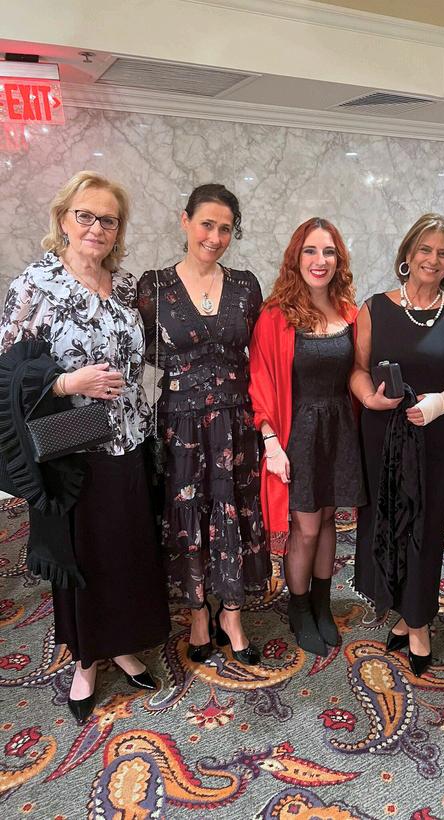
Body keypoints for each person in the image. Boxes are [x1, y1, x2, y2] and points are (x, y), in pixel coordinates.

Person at [0, 171, 171, 724]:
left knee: (126, 550)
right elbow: (6, 372)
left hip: (128, 440)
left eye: (109, 220)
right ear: (63, 219)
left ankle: (120, 645)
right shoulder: (36, 284)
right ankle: (86, 660)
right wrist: (65, 383)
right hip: (71, 449)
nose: (97, 227)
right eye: (86, 216)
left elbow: (141, 357)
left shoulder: (123, 286)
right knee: (85, 555)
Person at [138, 184, 270, 667]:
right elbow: (140, 352)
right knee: (187, 513)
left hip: (236, 421)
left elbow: (261, 352)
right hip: (180, 422)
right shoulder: (153, 287)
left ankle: (231, 614)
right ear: (185, 221)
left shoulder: (246, 286)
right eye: (206, 224)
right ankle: (198, 612)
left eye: (225, 229)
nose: (214, 237)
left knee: (233, 506)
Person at [350, 213, 444, 677]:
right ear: (407, 254)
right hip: (382, 431)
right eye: (425, 249)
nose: (433, 259)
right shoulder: (373, 308)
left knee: (427, 526)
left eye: (443, 253)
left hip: (435, 434)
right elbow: (357, 369)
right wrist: (370, 398)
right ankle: (404, 611)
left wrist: (441, 402)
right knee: (386, 521)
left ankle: (418, 622)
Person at [249, 218, 364, 656]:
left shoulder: (350, 312)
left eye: (329, 251)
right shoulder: (275, 315)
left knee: (329, 519)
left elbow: (360, 372)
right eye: (310, 251)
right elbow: (260, 380)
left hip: (340, 429)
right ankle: (298, 606)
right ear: (296, 258)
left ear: (339, 259)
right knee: (307, 526)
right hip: (297, 432)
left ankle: (321, 602)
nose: (320, 260)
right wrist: (270, 441)